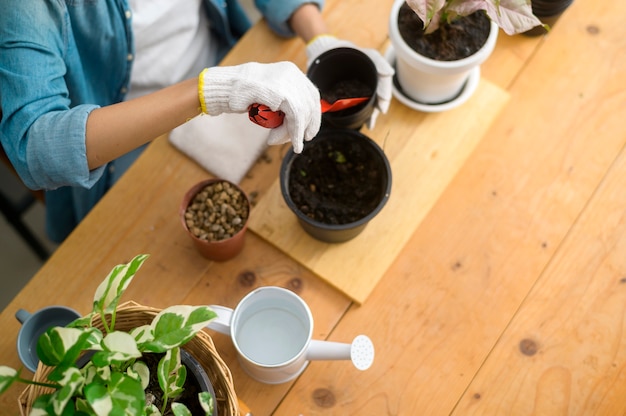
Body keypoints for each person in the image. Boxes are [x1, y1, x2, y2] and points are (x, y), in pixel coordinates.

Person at [0, 0, 393, 244]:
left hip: (232, 68)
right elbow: (35, 146)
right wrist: (209, 92)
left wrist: (319, 38)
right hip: (130, 141)